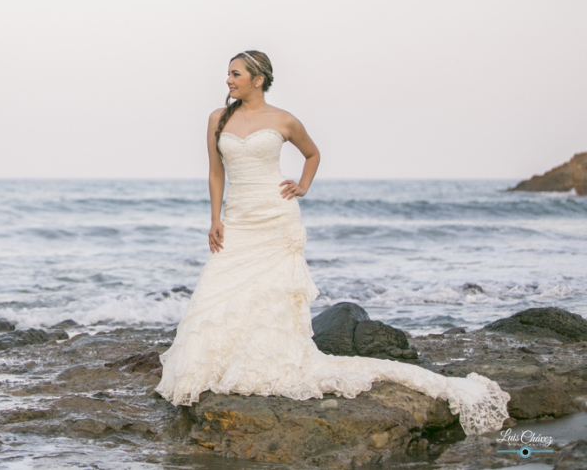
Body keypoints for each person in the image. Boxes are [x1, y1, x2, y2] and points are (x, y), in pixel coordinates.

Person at [155, 50, 511, 436]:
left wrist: (303, 185)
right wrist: (215, 219)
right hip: (239, 219)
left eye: (235, 74)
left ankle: (268, 357)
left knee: (271, 292)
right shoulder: (217, 119)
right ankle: (220, 359)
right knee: (220, 285)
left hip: (277, 217)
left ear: (257, 79)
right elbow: (215, 173)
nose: (228, 80)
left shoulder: (284, 120)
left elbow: (312, 153)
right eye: (228, 74)